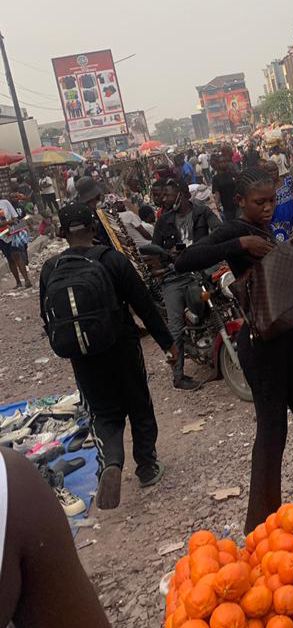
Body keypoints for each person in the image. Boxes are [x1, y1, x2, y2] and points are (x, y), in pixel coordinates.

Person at [175, 167, 293, 532]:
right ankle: (261, 525)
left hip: (291, 340)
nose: (269, 208)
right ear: (240, 201)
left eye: (273, 200)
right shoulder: (234, 229)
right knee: (273, 433)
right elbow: (185, 260)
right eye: (260, 202)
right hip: (262, 347)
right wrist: (239, 246)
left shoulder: (267, 227)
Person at [39, 203, 176, 509]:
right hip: (122, 348)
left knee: (103, 412)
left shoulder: (51, 269)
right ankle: (147, 466)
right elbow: (144, 305)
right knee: (138, 403)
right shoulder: (112, 260)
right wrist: (168, 343)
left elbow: (47, 319)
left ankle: (111, 462)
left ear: (62, 233)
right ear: (94, 228)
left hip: (84, 356)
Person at [0, 447, 112, 626]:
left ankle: (112, 459)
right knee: (18, 486)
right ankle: (145, 466)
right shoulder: (13, 482)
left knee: (107, 428)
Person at [151, 177, 221, 390]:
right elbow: (154, 250)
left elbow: (219, 231)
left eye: (168, 194)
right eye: (163, 195)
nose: (164, 199)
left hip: (202, 269)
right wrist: (166, 259)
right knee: (175, 327)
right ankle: (178, 376)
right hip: (175, 276)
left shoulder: (202, 212)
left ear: (182, 193)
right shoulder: (164, 221)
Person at [0, 198, 31, 289]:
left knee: (17, 255)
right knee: (10, 259)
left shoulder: (5, 203)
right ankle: (18, 282)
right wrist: (8, 222)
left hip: (12, 233)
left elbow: (15, 216)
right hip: (2, 237)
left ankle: (26, 279)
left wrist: (11, 223)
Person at [212, 153, 239, 221]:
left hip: (238, 206)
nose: (224, 163)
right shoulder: (216, 178)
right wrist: (217, 206)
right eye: (221, 162)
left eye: (225, 161)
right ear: (218, 164)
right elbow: (217, 194)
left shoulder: (232, 174)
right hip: (226, 208)